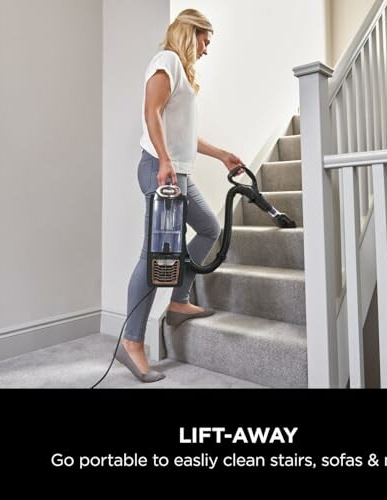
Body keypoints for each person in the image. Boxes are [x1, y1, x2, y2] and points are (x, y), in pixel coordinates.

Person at [115, 9, 244, 383]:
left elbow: (185, 135)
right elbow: (150, 111)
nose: (206, 50)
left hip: (176, 171)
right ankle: (131, 341)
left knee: (209, 229)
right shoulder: (167, 60)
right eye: (206, 41)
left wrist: (222, 155)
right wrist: (165, 162)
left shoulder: (182, 75)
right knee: (154, 255)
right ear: (193, 32)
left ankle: (177, 300)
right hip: (160, 170)